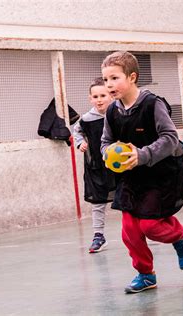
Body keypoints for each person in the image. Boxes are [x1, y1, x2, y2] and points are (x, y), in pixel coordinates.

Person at [100, 51, 183, 294]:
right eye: (105, 79)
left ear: (132, 77)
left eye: (114, 78)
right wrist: (106, 153)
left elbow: (171, 138)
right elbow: (105, 141)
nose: (109, 84)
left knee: (151, 227)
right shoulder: (112, 112)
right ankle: (145, 275)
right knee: (130, 232)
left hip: (159, 176)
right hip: (130, 178)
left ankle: (181, 236)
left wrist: (142, 155)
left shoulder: (153, 104)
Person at [73, 77, 116, 253]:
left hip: (119, 167)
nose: (99, 99)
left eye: (103, 95)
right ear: (90, 98)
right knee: (97, 203)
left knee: (129, 199)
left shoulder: (118, 114)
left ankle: (141, 230)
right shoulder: (86, 119)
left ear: (111, 96)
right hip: (96, 168)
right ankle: (99, 236)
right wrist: (80, 143)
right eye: (95, 96)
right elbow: (77, 132)